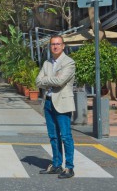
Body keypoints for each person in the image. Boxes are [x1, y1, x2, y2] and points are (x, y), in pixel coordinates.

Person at [36, 35, 76, 179]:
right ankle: (56, 165)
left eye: (58, 44)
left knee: (65, 136)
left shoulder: (69, 62)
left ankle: (69, 167)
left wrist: (46, 80)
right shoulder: (47, 63)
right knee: (53, 136)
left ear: (63, 46)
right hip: (48, 102)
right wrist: (50, 80)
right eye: (53, 44)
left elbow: (60, 82)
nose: (55, 46)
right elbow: (38, 81)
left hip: (63, 103)